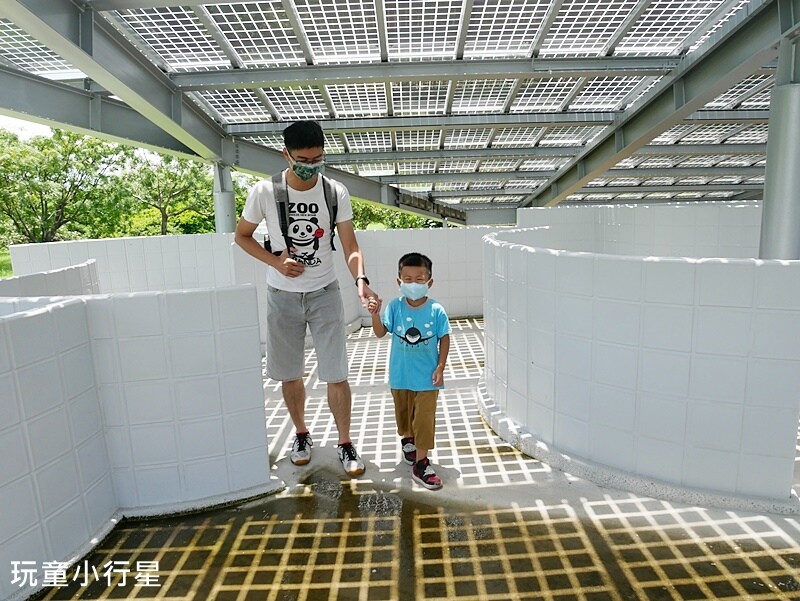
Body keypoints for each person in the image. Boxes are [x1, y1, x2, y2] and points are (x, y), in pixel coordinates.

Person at [234, 120, 380, 477]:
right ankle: (301, 434)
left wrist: (361, 280)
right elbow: (242, 236)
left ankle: (345, 442)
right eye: (302, 159)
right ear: (286, 154)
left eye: (317, 159)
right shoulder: (264, 191)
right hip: (282, 295)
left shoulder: (335, 192)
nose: (310, 166)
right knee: (289, 372)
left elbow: (350, 245)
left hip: (325, 292)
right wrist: (277, 263)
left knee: (336, 372)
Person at [367, 252, 451, 490]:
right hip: (400, 376)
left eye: (419, 279)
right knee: (405, 417)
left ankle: (421, 463)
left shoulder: (436, 310)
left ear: (429, 282)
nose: (413, 284)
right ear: (399, 281)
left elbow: (445, 337)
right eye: (408, 279)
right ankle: (409, 441)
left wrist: (441, 366)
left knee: (424, 419)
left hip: (427, 378)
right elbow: (380, 332)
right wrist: (374, 314)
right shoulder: (395, 307)